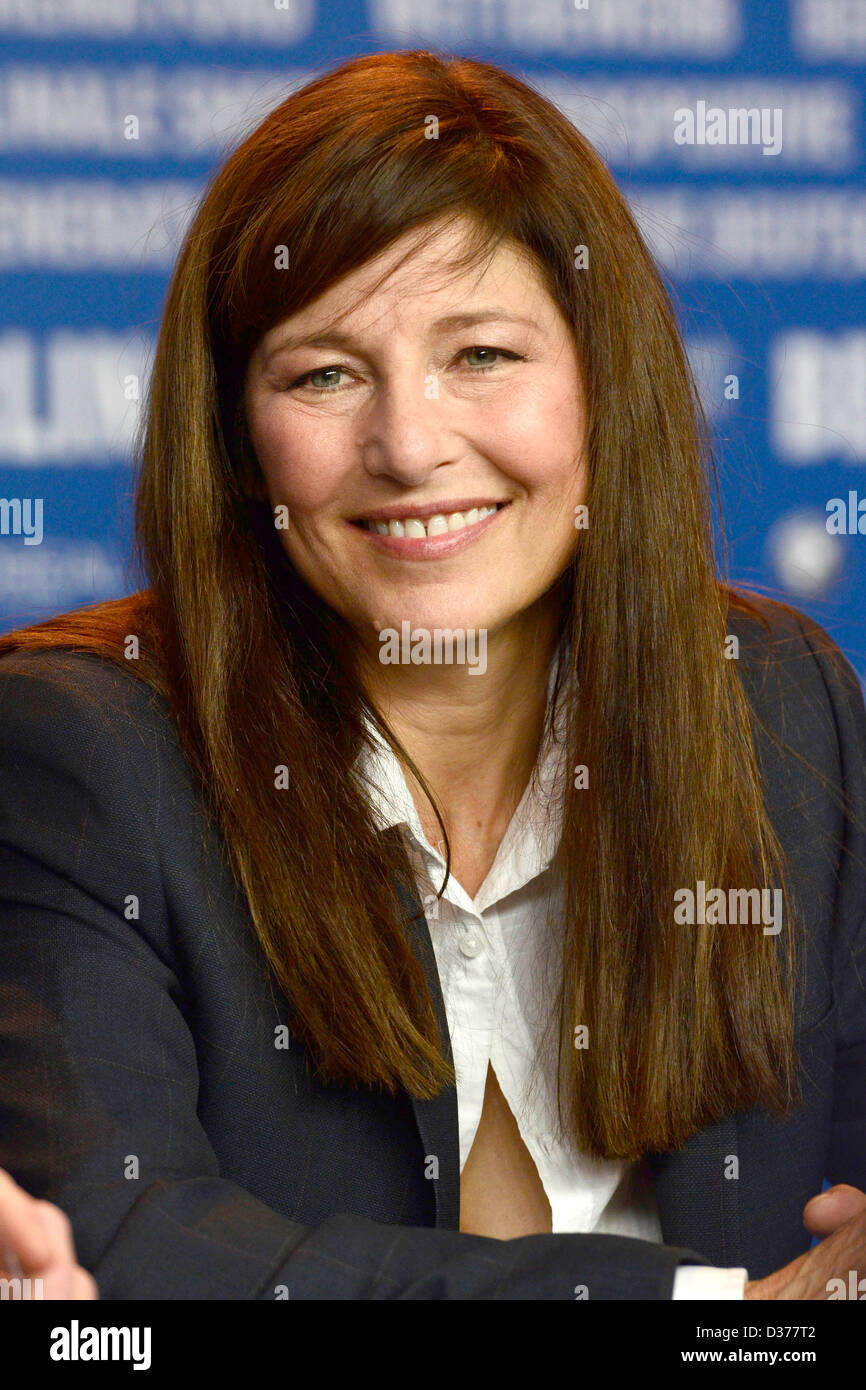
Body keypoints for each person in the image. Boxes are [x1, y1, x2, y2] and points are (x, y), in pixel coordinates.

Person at [0, 49, 863, 1301]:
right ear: (240, 442)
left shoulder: (778, 700)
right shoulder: (75, 746)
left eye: (481, 356)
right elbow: (112, 1247)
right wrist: (718, 1317)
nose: (408, 447)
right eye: (324, 374)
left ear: (600, 390)